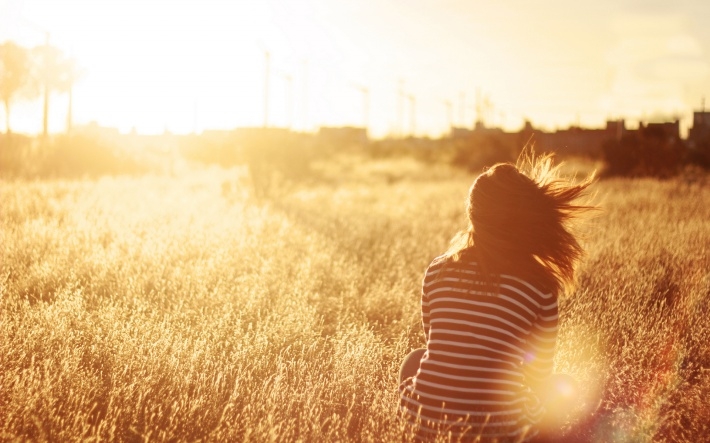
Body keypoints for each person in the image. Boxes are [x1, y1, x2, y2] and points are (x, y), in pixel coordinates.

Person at [399, 152, 595, 442]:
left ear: (473, 214)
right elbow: (538, 375)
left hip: (425, 425)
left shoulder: (438, 269)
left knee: (414, 360)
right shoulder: (539, 284)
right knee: (563, 386)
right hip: (501, 433)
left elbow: (435, 344)